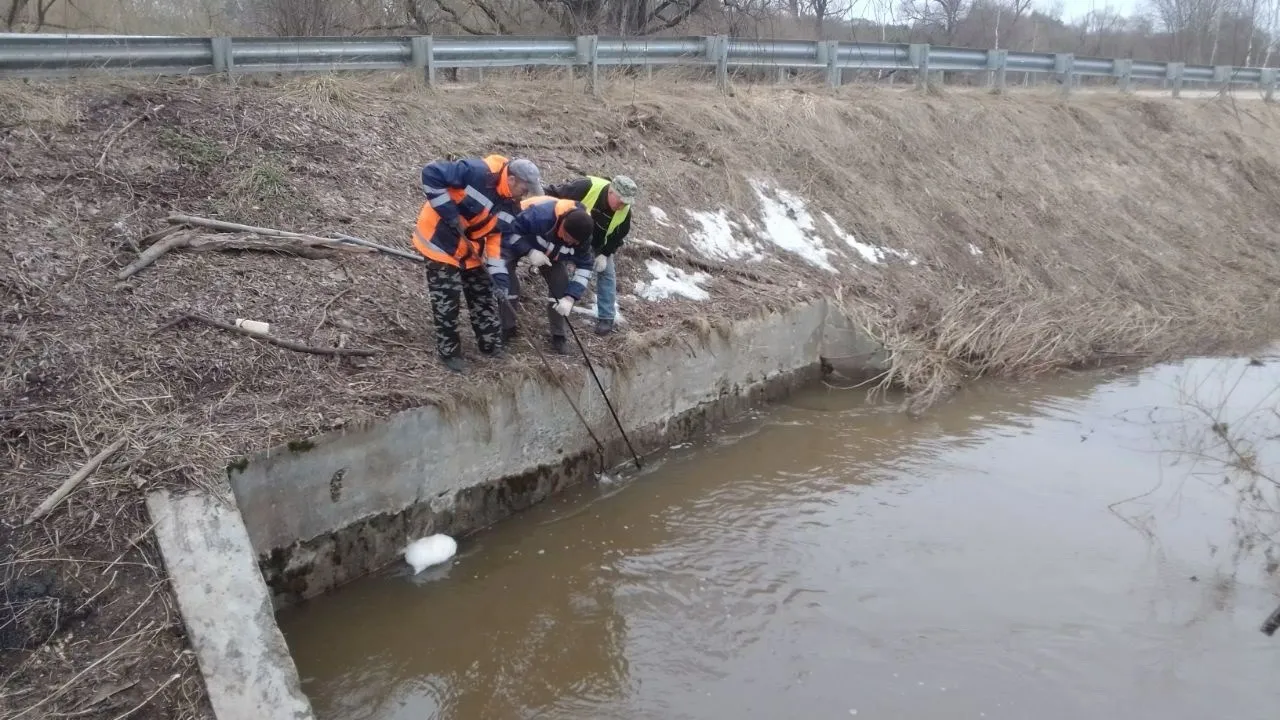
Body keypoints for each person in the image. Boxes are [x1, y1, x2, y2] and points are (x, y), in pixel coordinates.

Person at [412, 154, 542, 373]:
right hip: (439, 240)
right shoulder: (476, 171)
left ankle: (490, 345)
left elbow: (497, 245)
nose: (525, 194)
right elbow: (430, 173)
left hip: (470, 246)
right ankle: (450, 352)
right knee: (448, 298)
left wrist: (501, 282)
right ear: (511, 180)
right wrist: (449, 213)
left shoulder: (511, 207)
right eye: (524, 188)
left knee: (483, 293)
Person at [493, 195, 595, 355]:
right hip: (520, 240)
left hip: (551, 254)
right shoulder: (539, 215)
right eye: (568, 237)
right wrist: (530, 251)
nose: (569, 243)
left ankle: (559, 335)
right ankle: (507, 327)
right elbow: (508, 233)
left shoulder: (583, 238)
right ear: (562, 224)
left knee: (561, 284)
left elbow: (585, 267)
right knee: (507, 279)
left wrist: (570, 298)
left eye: (574, 242)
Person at [544, 174, 637, 335]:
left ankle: (606, 317)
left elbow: (618, 236)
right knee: (560, 271)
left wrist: (605, 254)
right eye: (620, 201)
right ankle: (560, 307)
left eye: (626, 203)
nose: (622, 206)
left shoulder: (625, 212)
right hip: (570, 235)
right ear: (611, 192)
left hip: (598, 244)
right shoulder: (587, 186)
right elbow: (555, 193)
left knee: (607, 274)